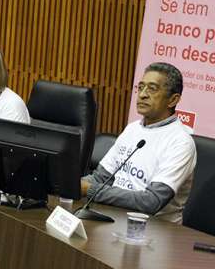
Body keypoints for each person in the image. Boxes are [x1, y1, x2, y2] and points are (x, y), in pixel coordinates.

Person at [80, 62, 196, 223]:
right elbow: (101, 177)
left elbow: (151, 201)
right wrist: (71, 184)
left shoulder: (181, 142)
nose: (142, 94)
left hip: (153, 232)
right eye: (140, 87)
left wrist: (91, 190)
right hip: (113, 217)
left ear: (172, 100)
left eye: (152, 89)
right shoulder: (132, 129)